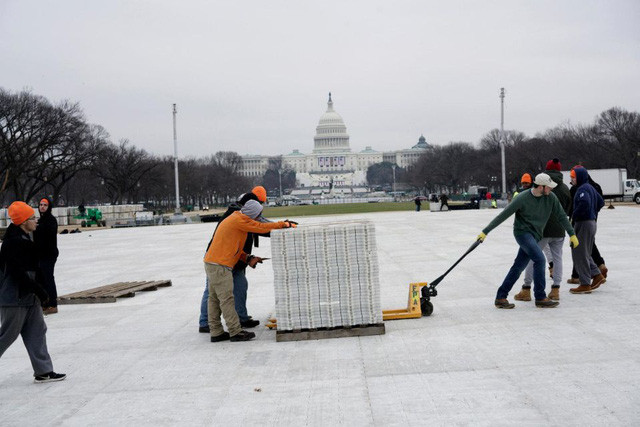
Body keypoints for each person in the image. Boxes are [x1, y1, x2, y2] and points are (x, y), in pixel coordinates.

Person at [477, 173, 578, 309]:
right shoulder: (522, 198)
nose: (551, 189)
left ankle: (501, 297)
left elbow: (561, 216)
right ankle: (540, 297)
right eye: (549, 187)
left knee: (518, 266)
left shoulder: (551, 198)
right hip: (522, 234)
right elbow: (503, 215)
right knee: (540, 259)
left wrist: (572, 234)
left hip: (535, 235)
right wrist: (485, 231)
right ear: (541, 187)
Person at [204, 200, 294, 342]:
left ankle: (216, 332)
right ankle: (235, 332)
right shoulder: (240, 220)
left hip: (213, 263)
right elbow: (261, 227)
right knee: (227, 300)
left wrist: (247, 257)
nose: (259, 218)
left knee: (214, 299)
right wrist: (283, 224)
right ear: (252, 214)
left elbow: (232, 247)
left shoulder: (236, 218)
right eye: (258, 215)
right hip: (220, 265)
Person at [0, 201, 66, 383]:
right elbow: (17, 273)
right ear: (23, 221)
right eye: (32, 218)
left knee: (37, 331)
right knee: (7, 335)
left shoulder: (26, 238)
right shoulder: (12, 243)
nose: (36, 220)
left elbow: (35, 268)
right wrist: (39, 290)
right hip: (14, 298)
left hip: (30, 296)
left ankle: (44, 371)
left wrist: (41, 291)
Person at [198, 187, 277, 333]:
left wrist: (247, 258)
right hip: (220, 260)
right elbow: (260, 226)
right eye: (258, 204)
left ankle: (241, 318)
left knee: (240, 286)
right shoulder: (237, 216)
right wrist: (281, 227)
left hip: (237, 258)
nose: (260, 210)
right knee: (214, 293)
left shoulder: (244, 213)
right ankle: (206, 322)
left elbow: (260, 224)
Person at [515, 159, 571, 301]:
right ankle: (556, 289)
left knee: (532, 257)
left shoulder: (542, 184)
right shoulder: (564, 188)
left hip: (542, 229)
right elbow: (568, 208)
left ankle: (526, 288)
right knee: (557, 258)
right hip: (559, 229)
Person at [567, 165, 608, 284]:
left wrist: (575, 214)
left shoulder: (582, 189)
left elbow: (584, 203)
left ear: (580, 177)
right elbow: (600, 202)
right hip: (591, 221)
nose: (571, 179)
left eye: (573, 176)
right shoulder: (590, 187)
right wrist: (593, 212)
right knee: (585, 251)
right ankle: (596, 275)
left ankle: (585, 283)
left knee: (580, 252)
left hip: (583, 222)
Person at [33, 197, 59, 315]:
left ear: (49, 207)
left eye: (45, 205)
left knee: (48, 278)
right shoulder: (40, 220)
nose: (42, 207)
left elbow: (49, 236)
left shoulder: (51, 220)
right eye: (41, 205)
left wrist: (38, 227)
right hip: (39, 255)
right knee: (40, 279)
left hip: (48, 254)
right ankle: (45, 303)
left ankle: (53, 304)